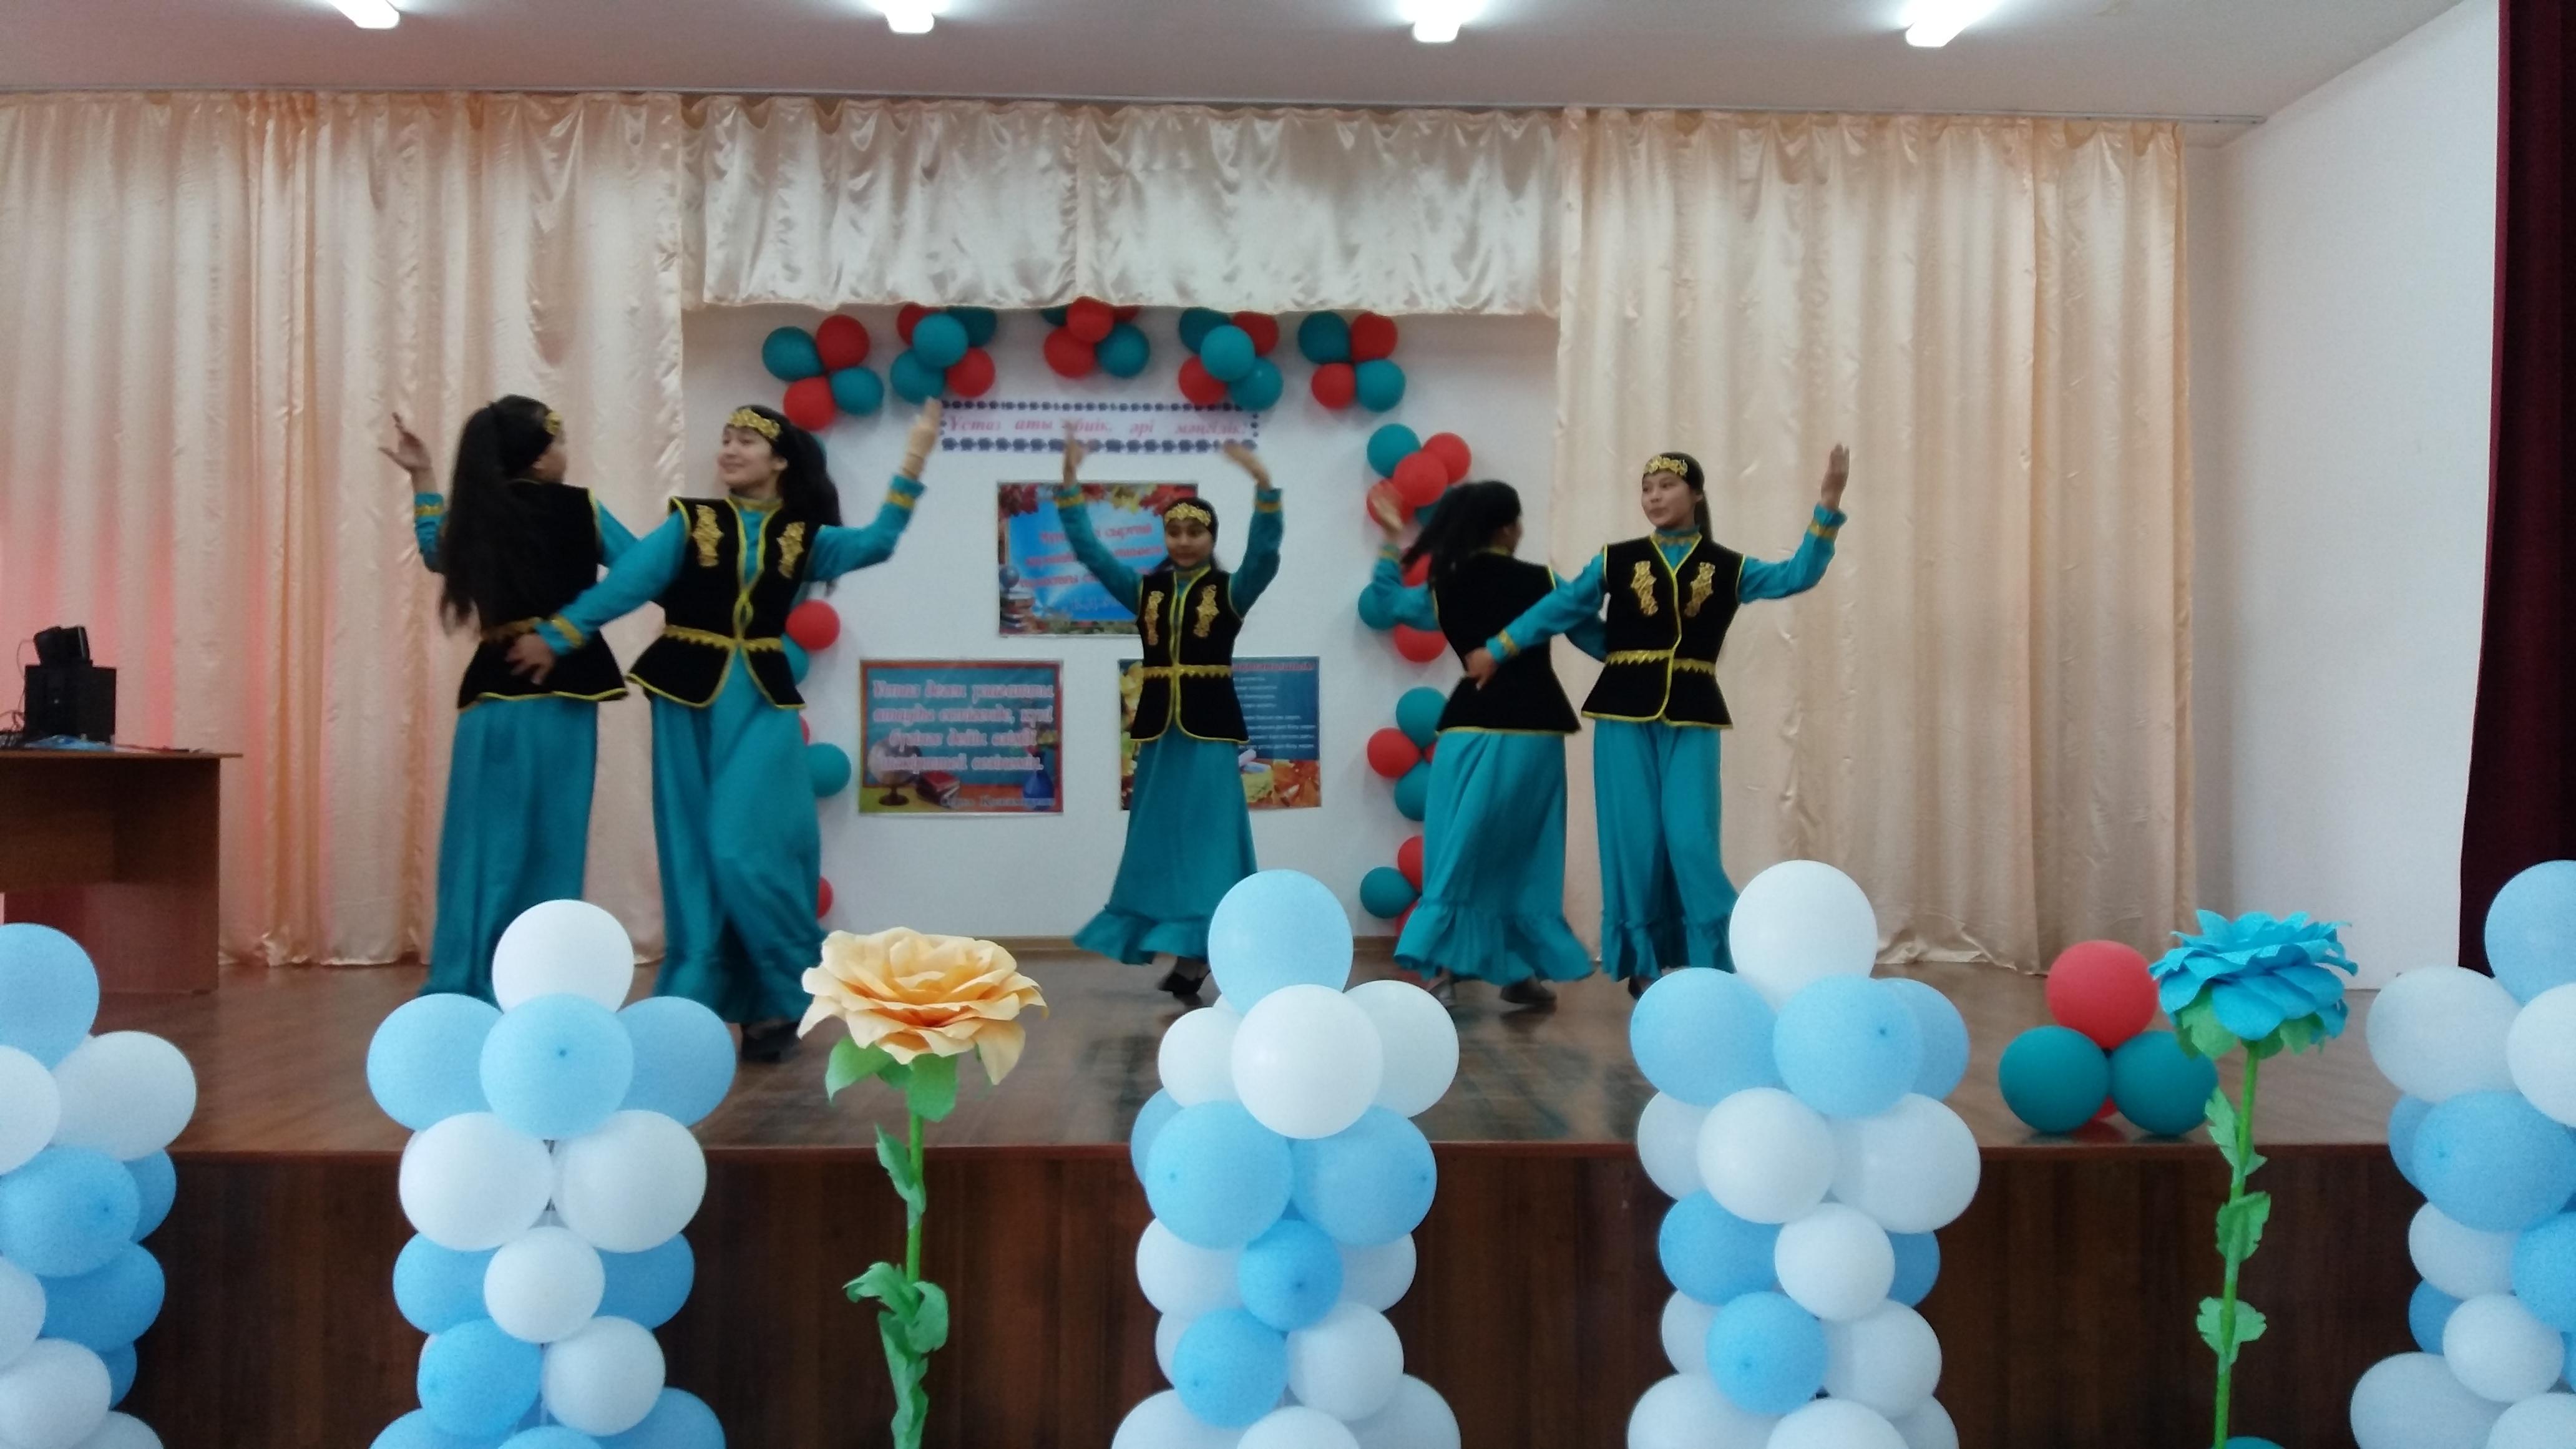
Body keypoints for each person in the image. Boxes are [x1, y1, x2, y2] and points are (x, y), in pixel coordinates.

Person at [508, 401, 942, 1060]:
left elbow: (878, 542)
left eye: (746, 441)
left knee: (744, 845)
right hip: (684, 691)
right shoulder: (693, 521)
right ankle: (718, 998)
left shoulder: (804, 536)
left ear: (779, 460)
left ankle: (790, 983)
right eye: (726, 440)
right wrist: (560, 634)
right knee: (694, 854)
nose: (731, 451)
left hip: (760, 698)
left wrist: (914, 457)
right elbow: (629, 584)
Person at [1465, 446, 1850, 996]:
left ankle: (1724, 959)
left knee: (1691, 839)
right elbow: (1560, 609)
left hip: (1692, 714)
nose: (1654, 496)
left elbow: (1797, 575)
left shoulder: (1726, 566)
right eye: (1647, 489)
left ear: (1696, 494)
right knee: (1635, 842)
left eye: (1667, 485)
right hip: (1622, 716)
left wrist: (1828, 505)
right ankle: (1644, 963)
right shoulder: (1616, 560)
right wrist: (1501, 648)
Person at [388, 398, 639, 1000]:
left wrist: (423, 477)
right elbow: (641, 569)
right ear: (540, 454)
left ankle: (470, 977)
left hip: (494, 701)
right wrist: (567, 630)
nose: (565, 453)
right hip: (566, 697)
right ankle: (542, 981)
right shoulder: (581, 508)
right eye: (560, 441)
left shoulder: (477, 514)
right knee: (555, 843)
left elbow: (434, 550)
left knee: (484, 846)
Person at [1055, 431, 1282, 1000]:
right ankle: (1183, 948)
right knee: (1157, 842)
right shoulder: (1147, 593)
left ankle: (1203, 951)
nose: (1183, 541)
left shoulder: (1230, 592)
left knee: (1209, 841)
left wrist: (1264, 488)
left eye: (1195, 531)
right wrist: (1069, 488)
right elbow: (1091, 555)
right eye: (1174, 532)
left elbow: (1264, 557)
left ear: (1211, 538)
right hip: (1161, 736)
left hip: (1208, 734)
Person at [1362, 481, 1601, 1008]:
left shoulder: (1445, 585)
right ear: (1509, 527)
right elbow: (1599, 642)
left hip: (1465, 731)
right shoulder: (1544, 582)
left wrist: (1391, 539)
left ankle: (1443, 971)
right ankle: (1517, 971)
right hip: (1533, 731)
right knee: (1526, 855)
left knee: (1458, 850)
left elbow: (1388, 600)